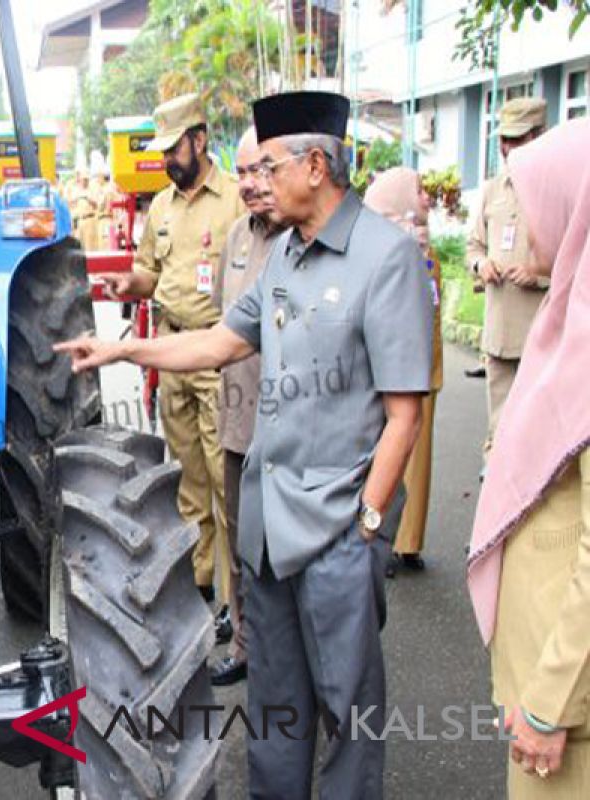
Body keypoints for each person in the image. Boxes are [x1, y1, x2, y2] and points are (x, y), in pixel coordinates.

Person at [58, 91, 433, 799]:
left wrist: (369, 524)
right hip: (266, 530)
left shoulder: (386, 260)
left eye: (268, 164)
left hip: (337, 530)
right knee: (275, 708)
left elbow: (404, 415)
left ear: (315, 165)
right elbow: (220, 341)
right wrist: (121, 348)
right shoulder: (284, 257)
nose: (255, 180)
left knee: (348, 712)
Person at [468, 118, 590, 799]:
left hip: (567, 701)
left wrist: (550, 705)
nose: (532, 225)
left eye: (540, 203)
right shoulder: (573, 312)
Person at [99, 93, 245, 604]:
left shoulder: (234, 199)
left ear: (199, 140)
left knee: (227, 480)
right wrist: (127, 285)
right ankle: (198, 583)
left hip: (216, 355)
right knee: (187, 478)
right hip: (170, 348)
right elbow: (150, 274)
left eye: (173, 150)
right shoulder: (160, 206)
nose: (166, 161)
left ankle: (236, 600)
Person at [208, 126, 285, 687]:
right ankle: (244, 642)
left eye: (262, 170)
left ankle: (290, 652)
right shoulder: (237, 237)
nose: (251, 185)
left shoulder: (303, 238)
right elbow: (222, 320)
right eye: (242, 173)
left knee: (287, 547)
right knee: (239, 541)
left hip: (291, 427)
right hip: (238, 420)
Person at [365, 167, 442, 576]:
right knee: (387, 454)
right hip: (391, 371)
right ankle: (381, 534)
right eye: (418, 191)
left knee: (418, 458)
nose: (426, 199)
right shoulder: (386, 247)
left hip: (424, 370)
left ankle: (406, 540)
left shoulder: (420, 244)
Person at [467, 97, 549, 465]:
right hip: (498, 332)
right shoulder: (492, 190)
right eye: (504, 140)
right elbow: (473, 246)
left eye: (518, 139)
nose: (508, 148)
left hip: (543, 334)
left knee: (538, 430)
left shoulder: (558, 189)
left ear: (539, 136)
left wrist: (539, 274)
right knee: (498, 428)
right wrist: (480, 264)